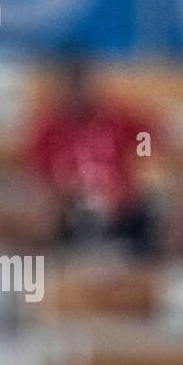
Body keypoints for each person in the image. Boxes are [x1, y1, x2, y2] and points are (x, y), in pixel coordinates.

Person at [24, 58, 167, 257]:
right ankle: (57, 272)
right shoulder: (49, 129)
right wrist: (61, 193)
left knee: (155, 209)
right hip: (70, 208)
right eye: (72, 87)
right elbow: (38, 178)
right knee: (42, 215)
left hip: (121, 207)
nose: (78, 95)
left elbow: (152, 134)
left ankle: (144, 269)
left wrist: (141, 162)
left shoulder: (117, 119)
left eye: (82, 86)